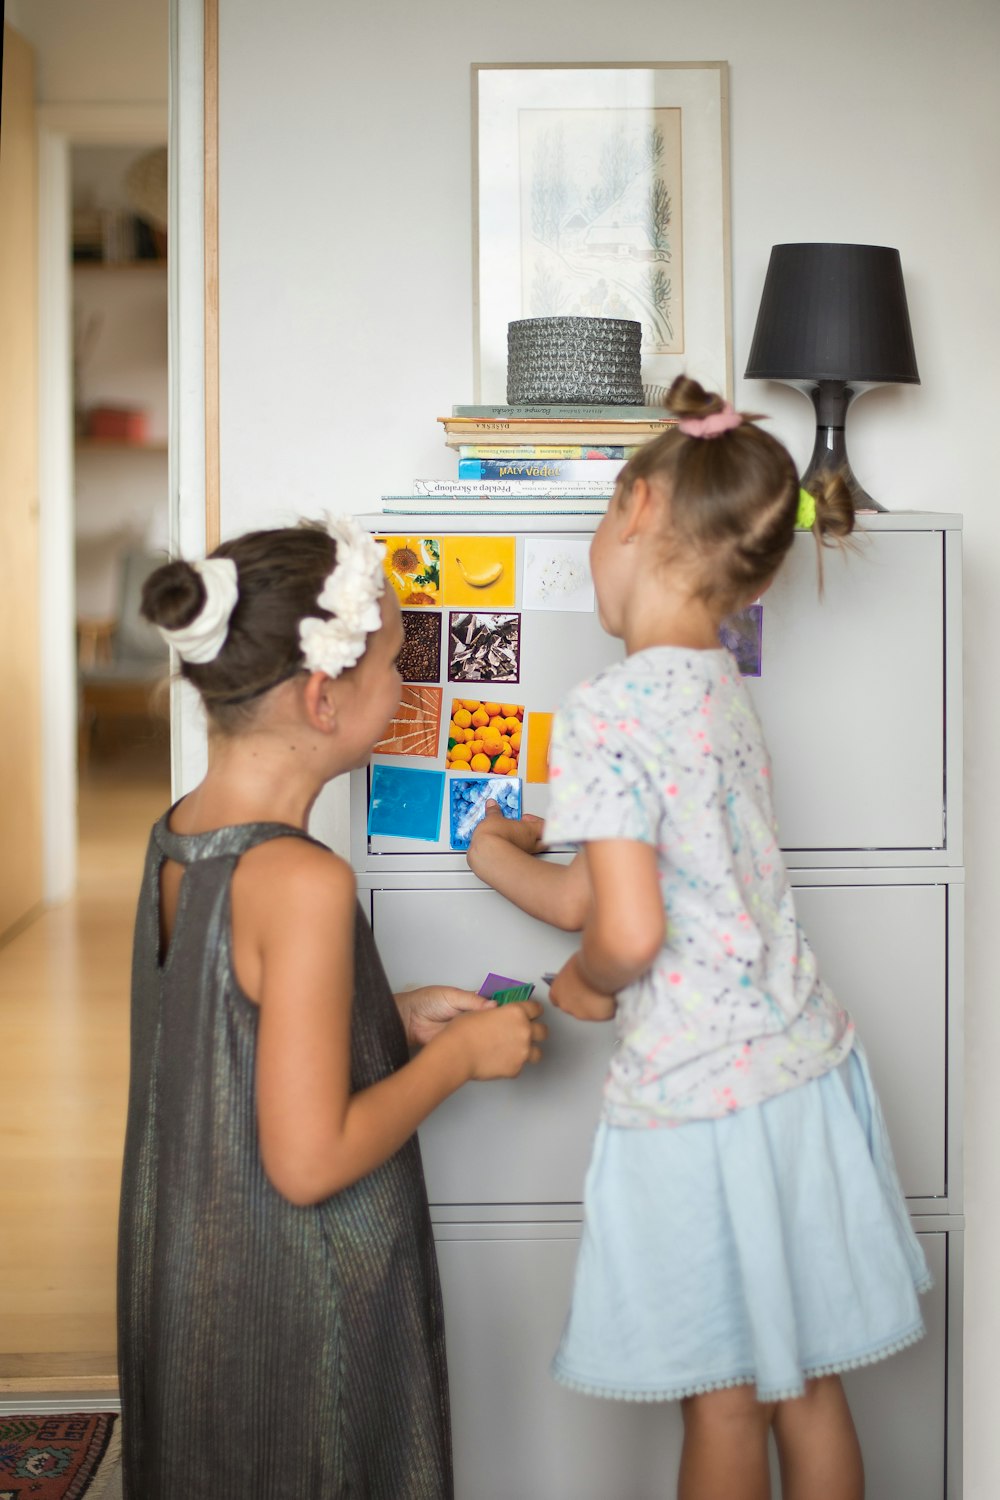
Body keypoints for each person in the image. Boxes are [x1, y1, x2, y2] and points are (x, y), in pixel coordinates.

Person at [466, 377, 930, 1500]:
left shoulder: (607, 707)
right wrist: (509, 860)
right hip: (804, 1073)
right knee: (807, 1386)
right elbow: (615, 888)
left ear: (630, 508)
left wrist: (581, 990)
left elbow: (621, 925)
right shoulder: (718, 688)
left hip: (696, 1100)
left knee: (720, 1396)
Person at [117, 516, 547, 1500]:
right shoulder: (302, 882)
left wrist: (380, 1021)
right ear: (323, 697)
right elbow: (306, 1163)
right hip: (301, 1316)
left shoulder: (180, 836)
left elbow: (223, 1041)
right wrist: (460, 1059)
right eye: (396, 662)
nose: (404, 687)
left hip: (196, 1295)